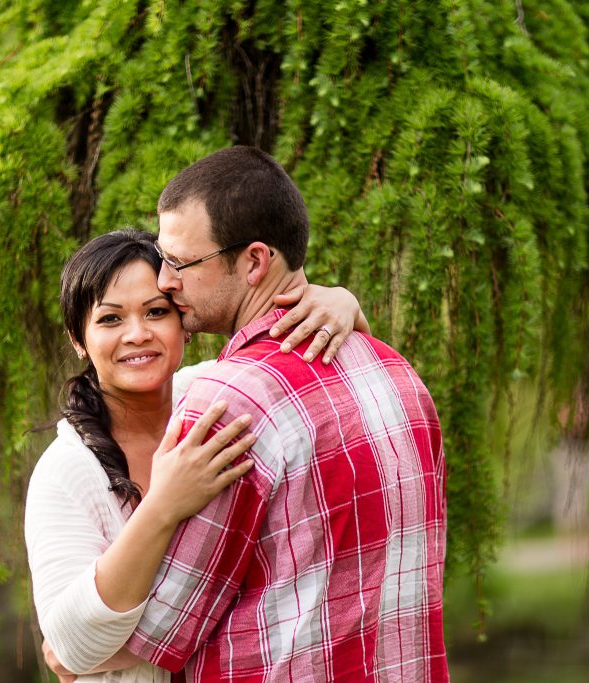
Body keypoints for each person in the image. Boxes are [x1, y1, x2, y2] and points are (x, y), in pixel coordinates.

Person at [114, 146, 449, 681]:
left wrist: (69, 643)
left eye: (180, 263)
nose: (165, 281)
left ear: (254, 261)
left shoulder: (229, 403)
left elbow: (158, 629)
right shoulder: (398, 375)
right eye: (162, 258)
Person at [25, 229, 369, 682]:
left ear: (183, 321)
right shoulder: (66, 472)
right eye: (110, 319)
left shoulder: (223, 397)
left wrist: (343, 302)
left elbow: (315, 366)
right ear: (77, 338)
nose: (137, 334)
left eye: (156, 312)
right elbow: (71, 645)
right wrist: (164, 505)